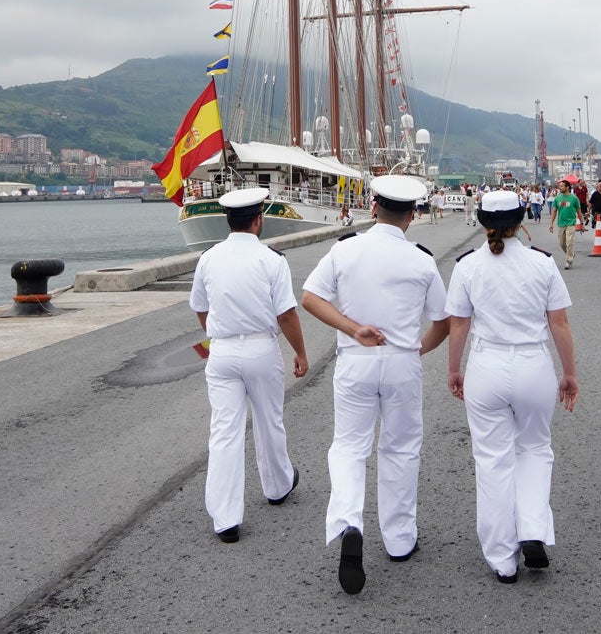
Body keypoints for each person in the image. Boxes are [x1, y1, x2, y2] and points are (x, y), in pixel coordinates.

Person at [301, 175, 451, 595]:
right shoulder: (421, 260)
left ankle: (349, 521)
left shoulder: (345, 249)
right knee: (401, 449)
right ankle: (400, 540)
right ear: (412, 215)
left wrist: (353, 329)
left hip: (356, 359)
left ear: (372, 207)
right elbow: (444, 321)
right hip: (402, 362)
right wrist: (417, 350)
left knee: (349, 446)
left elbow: (311, 297)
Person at [446, 191, 579, 583]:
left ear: (483, 223)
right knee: (535, 448)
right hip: (532, 363)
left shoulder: (468, 267)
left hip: (487, 364)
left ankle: (502, 556)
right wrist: (569, 373)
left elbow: (458, 326)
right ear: (522, 221)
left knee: (492, 459)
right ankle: (534, 529)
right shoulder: (542, 264)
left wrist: (455, 370)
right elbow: (560, 324)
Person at [189, 187, 309, 544]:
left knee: (224, 431)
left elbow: (199, 306)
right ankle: (277, 486)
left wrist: (217, 335)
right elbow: (285, 313)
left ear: (229, 221)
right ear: (258, 220)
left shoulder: (208, 257)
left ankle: (225, 518)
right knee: (269, 421)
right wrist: (301, 352)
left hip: (222, 351)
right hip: (260, 348)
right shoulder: (272, 260)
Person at [547, 177, 583, 269]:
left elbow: (579, 212)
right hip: (561, 223)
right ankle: (571, 253)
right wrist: (551, 224)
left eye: (562, 186)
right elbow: (554, 211)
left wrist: (582, 224)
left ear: (567, 187)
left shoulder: (574, 198)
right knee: (562, 243)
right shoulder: (557, 199)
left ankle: (568, 260)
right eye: (559, 186)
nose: (560, 187)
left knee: (569, 242)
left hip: (571, 223)